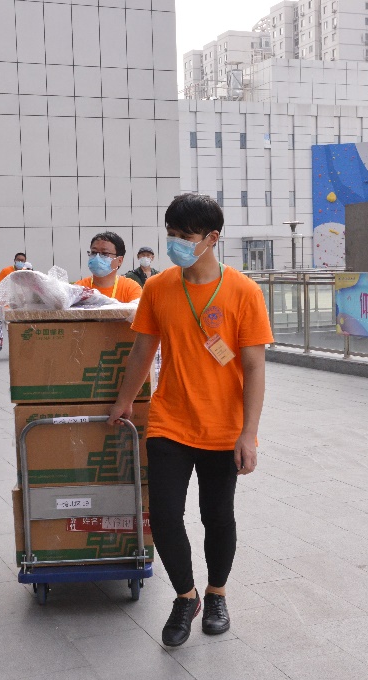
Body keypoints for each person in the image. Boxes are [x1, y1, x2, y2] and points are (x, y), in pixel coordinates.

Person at [107, 194, 273, 647]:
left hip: (222, 427)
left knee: (216, 516)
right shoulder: (159, 287)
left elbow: (254, 366)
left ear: (212, 238)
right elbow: (143, 350)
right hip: (170, 421)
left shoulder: (244, 291)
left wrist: (249, 434)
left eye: (185, 236)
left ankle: (217, 593)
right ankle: (186, 596)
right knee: (163, 516)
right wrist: (124, 401)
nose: (175, 243)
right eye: (171, 234)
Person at [74, 231, 143, 303]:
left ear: (119, 260)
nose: (97, 258)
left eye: (104, 253)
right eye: (94, 252)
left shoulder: (131, 288)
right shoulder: (79, 288)